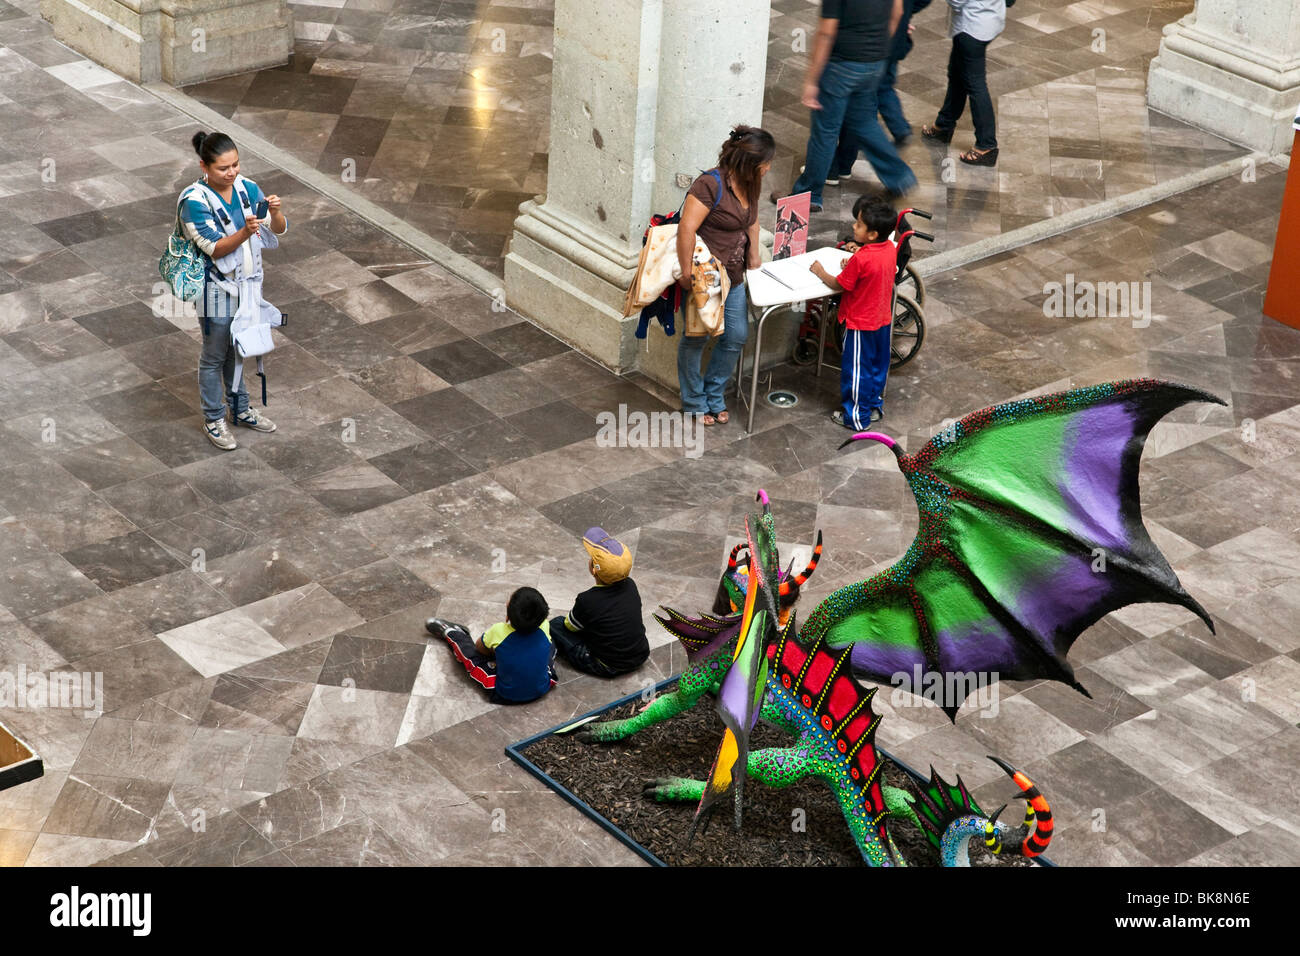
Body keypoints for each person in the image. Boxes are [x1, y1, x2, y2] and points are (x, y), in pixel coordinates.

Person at [180, 131, 286, 450]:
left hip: (248, 287)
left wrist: (277, 212)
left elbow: (277, 227)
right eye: (223, 167)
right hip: (214, 289)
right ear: (204, 166)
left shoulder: (248, 187)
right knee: (215, 354)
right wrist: (244, 232)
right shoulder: (193, 202)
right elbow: (214, 248)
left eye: (236, 164)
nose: (232, 172)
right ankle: (214, 418)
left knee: (239, 347)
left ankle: (239, 410)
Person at [776, 0, 915, 212]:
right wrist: (879, 48)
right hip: (874, 62)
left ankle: (809, 194)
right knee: (865, 124)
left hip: (840, 66)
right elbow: (897, 12)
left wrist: (811, 80)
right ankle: (900, 177)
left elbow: (826, 33)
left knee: (825, 132)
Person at [676, 125, 773, 427]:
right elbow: (686, 229)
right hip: (707, 275)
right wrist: (685, 271)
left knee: (736, 336)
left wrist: (754, 253)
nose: (769, 169)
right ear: (750, 163)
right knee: (696, 337)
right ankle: (694, 401)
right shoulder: (709, 185)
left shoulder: (751, 183)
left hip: (734, 274)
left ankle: (714, 394)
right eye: (766, 163)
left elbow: (753, 221)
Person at [809, 195, 898, 429]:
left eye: (858, 224)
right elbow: (872, 271)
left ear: (872, 234)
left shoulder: (862, 258)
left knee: (857, 371)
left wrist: (819, 271)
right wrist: (856, 258)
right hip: (882, 319)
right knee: (877, 367)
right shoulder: (889, 248)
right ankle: (873, 406)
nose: (853, 226)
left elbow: (839, 284)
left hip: (860, 322)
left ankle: (857, 417)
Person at [831, 0, 932, 180]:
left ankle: (829, 172)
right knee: (859, 112)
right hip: (882, 47)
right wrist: (901, 21)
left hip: (863, 49)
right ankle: (841, 165)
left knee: (852, 117)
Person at [426, 587, 557, 704]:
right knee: (548, 645)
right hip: (543, 686)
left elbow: (479, 648)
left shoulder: (498, 630)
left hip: (506, 694)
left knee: (471, 657)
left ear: (508, 613)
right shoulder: (545, 626)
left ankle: (452, 633)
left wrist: (497, 653)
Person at [549, 528, 648, 677]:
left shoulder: (587, 600)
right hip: (640, 655)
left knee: (556, 624)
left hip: (608, 665)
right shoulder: (631, 585)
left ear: (594, 570)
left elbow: (569, 626)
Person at [920, 0, 1005, 165]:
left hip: (972, 26)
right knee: (957, 73)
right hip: (989, 17)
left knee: (975, 84)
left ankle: (986, 145)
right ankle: (943, 125)